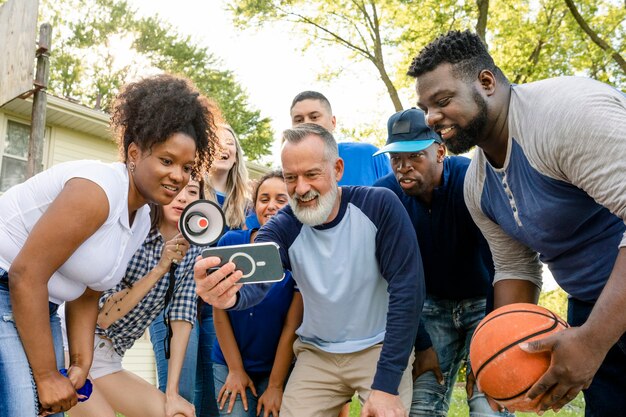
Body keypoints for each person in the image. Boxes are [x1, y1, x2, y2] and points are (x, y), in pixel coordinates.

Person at [408, 30, 626, 415]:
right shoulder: (476, 185)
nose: (430, 118)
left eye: (441, 101)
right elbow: (515, 266)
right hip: (591, 305)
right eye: (425, 107)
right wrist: (500, 350)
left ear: (487, 82)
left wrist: (592, 341)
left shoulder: (567, 113)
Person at [0, 73, 215, 417]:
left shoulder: (140, 218)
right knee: (24, 407)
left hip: (43, 304)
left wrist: (82, 364)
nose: (179, 175)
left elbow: (88, 292)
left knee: (49, 408)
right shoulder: (97, 191)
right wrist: (45, 374)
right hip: (9, 286)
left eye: (187, 167)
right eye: (166, 160)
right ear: (134, 152)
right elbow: (25, 274)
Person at [195, 123, 424, 417]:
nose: (301, 188)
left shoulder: (378, 206)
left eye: (312, 174)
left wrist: (387, 385)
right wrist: (230, 297)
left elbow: (408, 290)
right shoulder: (284, 226)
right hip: (317, 354)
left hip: (377, 347)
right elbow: (257, 280)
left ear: (337, 169)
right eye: (291, 178)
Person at [373, 108, 512, 417]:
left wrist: (491, 346)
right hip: (429, 308)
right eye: (396, 158)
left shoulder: (472, 179)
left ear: (439, 151)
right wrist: (422, 344)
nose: (404, 167)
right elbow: (391, 277)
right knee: (421, 407)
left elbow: (500, 264)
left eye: (414, 157)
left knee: (488, 403)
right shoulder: (384, 195)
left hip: (482, 301)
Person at [67, 178, 204, 417]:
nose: (183, 198)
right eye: (177, 190)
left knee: (178, 414)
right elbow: (103, 317)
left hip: (108, 359)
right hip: (72, 347)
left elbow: (181, 319)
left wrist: (172, 394)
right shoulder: (133, 232)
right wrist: (160, 268)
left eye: (192, 192)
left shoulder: (193, 253)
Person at [212, 170, 302, 417]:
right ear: (255, 205)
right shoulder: (231, 243)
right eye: (264, 199)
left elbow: (291, 325)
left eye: (281, 200)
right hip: (230, 362)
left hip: (277, 366)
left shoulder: (299, 254)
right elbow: (219, 312)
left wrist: (275, 385)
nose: (271, 206)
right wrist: (235, 370)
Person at [290, 91, 391, 186]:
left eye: (314, 117)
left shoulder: (369, 156)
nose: (306, 124)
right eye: (299, 120)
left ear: (333, 122)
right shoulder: (289, 173)